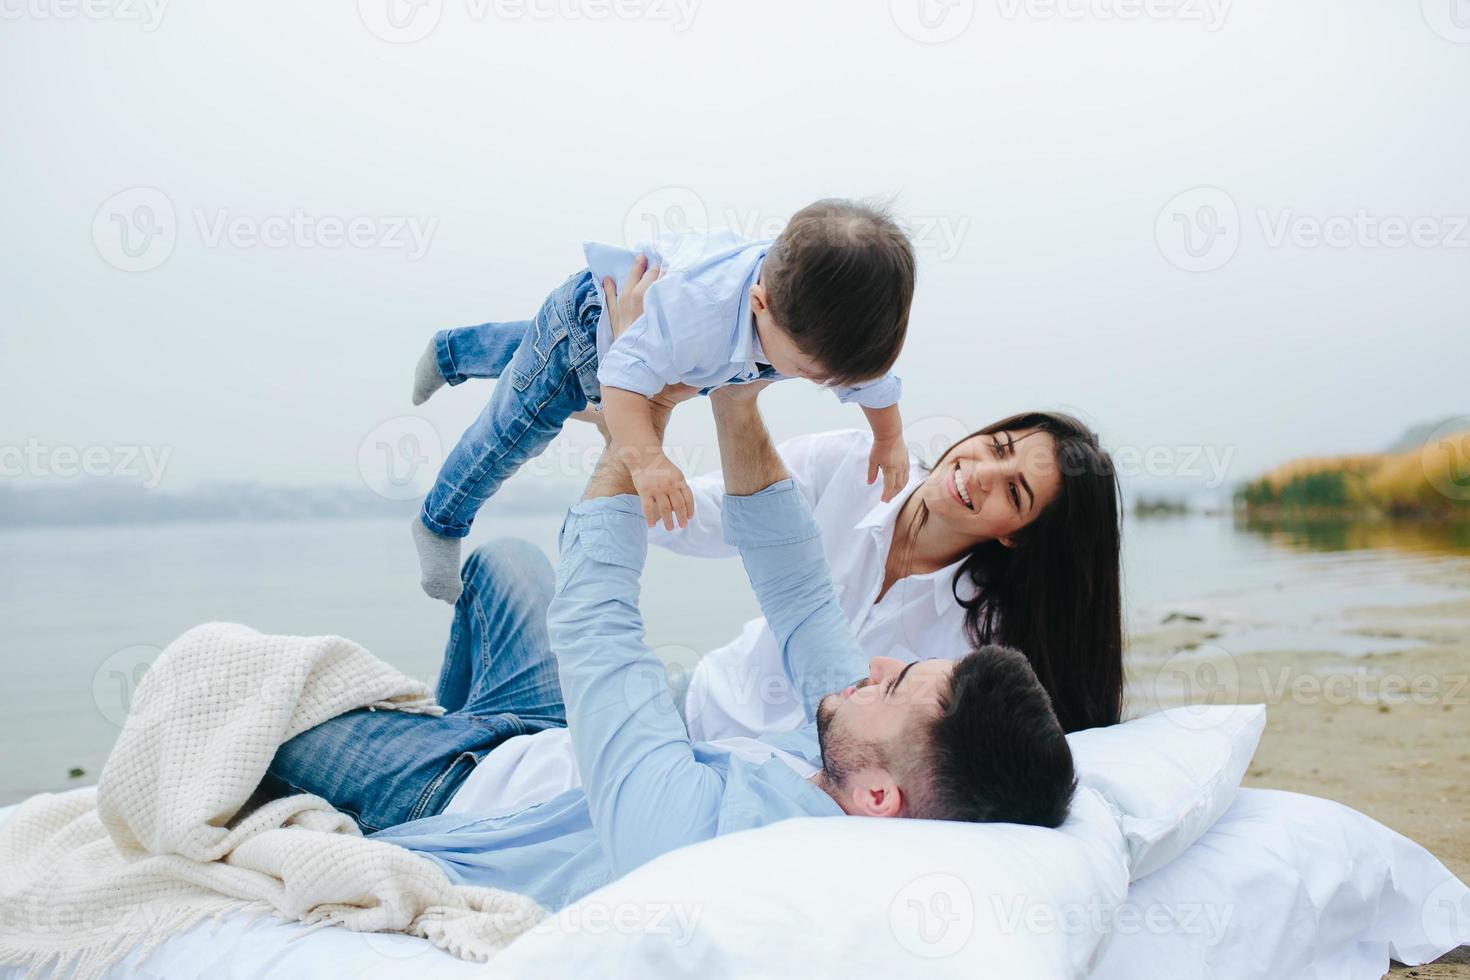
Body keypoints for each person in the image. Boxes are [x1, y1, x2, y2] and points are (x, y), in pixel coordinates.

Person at [262, 381, 1076, 913]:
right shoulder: (837, 751)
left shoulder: (699, 841)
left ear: (879, 800)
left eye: (898, 686)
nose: (881, 665)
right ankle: (451, 714)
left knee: (245, 687)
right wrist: (735, 391)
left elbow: (600, 634)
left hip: (461, 789)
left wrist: (631, 430)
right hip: (557, 739)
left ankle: (429, 739)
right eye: (999, 450)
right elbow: (797, 590)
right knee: (504, 565)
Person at [408, 199, 916, 604]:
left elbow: (871, 380)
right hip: (590, 327)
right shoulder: (698, 313)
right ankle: (439, 520)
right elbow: (621, 384)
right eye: (808, 373)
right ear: (759, 306)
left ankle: (452, 351)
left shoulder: (815, 315)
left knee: (531, 356)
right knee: (518, 424)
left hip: (644, 345)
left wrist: (888, 438)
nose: (819, 384)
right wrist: (648, 461)